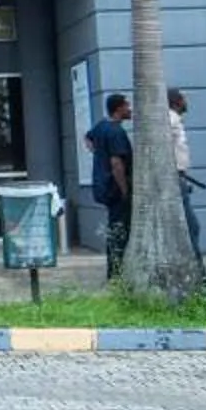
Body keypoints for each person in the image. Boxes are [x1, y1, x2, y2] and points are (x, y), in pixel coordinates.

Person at [84, 93, 134, 282]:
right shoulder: (116, 132)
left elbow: (87, 138)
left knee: (115, 227)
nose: (130, 109)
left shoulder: (101, 127)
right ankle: (115, 274)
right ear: (118, 108)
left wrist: (98, 153)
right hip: (115, 188)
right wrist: (124, 190)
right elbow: (117, 164)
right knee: (119, 229)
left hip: (103, 185)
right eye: (127, 106)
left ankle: (115, 271)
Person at [168, 87, 203, 263]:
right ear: (177, 101)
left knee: (191, 227)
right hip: (174, 178)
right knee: (191, 227)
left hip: (179, 177)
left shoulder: (175, 120)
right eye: (184, 98)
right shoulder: (171, 121)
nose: (186, 102)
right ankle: (198, 271)